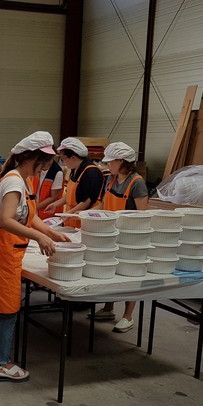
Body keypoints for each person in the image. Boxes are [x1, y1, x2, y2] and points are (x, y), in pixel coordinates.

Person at [0, 132, 70, 381]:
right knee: (8, 307)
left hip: (8, 249)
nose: (46, 167)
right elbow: (6, 220)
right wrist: (38, 237)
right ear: (31, 158)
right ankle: (1, 364)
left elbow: (30, 217)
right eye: (44, 161)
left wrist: (51, 233)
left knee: (0, 304)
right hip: (3, 250)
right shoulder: (13, 182)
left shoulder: (23, 180)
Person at [91, 142, 149, 332]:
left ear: (121, 161)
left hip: (130, 237)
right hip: (110, 233)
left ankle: (128, 316)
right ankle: (108, 308)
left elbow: (142, 214)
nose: (107, 165)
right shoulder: (111, 179)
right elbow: (103, 204)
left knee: (129, 275)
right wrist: (88, 214)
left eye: (110, 162)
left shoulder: (137, 182)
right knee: (110, 271)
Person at [45, 137, 103, 228]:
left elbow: (87, 201)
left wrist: (70, 213)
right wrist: (55, 204)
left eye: (63, 159)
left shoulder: (91, 173)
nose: (63, 163)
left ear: (73, 157)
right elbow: (69, 195)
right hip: (72, 221)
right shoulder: (74, 169)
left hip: (84, 223)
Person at [29, 134, 65, 219]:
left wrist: (35, 207)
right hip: (35, 212)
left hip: (48, 215)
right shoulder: (36, 168)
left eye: (48, 161)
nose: (45, 165)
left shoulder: (57, 172)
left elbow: (54, 197)